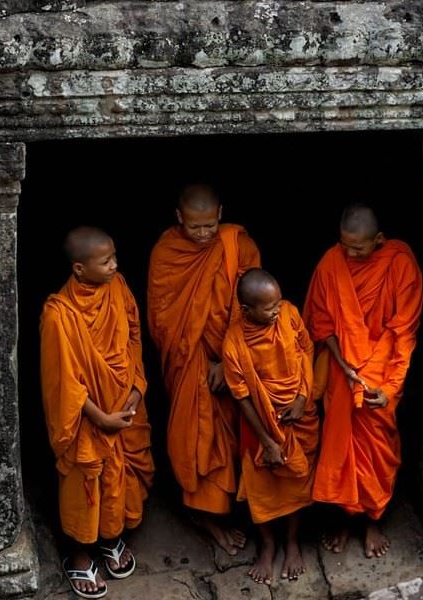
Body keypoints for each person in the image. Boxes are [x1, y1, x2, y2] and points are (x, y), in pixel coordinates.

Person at [40, 227, 155, 598]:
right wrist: (101, 418)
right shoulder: (59, 315)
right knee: (84, 481)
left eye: (114, 258)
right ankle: (79, 555)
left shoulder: (118, 287)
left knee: (120, 477)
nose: (115, 266)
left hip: (125, 403)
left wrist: (137, 387)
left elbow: (134, 336)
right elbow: (64, 384)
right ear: (78, 268)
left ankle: (112, 536)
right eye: (105, 262)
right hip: (88, 418)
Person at [303, 203, 423, 558]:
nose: (351, 254)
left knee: (378, 449)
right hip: (343, 370)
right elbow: (321, 324)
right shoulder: (331, 262)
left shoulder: (400, 265)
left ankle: (373, 520)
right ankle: (343, 518)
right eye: (345, 246)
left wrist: (390, 388)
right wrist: (343, 363)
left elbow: (405, 331)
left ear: (379, 240)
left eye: (359, 248)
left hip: (382, 370)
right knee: (339, 445)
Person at [147, 184, 260, 555]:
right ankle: (205, 516)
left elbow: (254, 305)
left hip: (230, 357)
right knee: (195, 433)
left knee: (234, 433)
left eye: (209, 225)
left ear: (221, 214)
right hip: (189, 359)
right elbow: (163, 320)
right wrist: (201, 360)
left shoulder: (237, 244)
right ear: (179, 218)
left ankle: (235, 507)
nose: (203, 234)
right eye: (194, 227)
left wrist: (226, 363)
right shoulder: (167, 252)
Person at [222, 268, 318, 585]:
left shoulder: (289, 313)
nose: (277, 309)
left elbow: (306, 349)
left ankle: (291, 542)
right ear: (246, 310)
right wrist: (267, 440)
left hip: (297, 416)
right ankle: (267, 544)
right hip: (260, 427)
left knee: (295, 482)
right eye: (269, 307)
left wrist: (303, 396)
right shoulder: (234, 342)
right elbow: (242, 397)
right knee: (260, 487)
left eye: (278, 302)